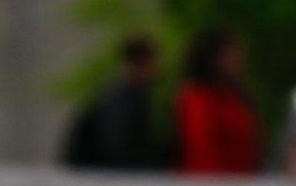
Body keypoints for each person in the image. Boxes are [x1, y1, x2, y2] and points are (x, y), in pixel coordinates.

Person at [62, 34, 170, 173]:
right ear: (142, 62)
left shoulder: (119, 95)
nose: (158, 68)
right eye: (153, 62)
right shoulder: (121, 99)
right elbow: (117, 148)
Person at [174, 26, 263, 177]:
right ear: (214, 57)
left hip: (241, 185)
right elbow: (201, 148)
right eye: (232, 53)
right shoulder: (196, 96)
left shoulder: (234, 95)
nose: (239, 58)